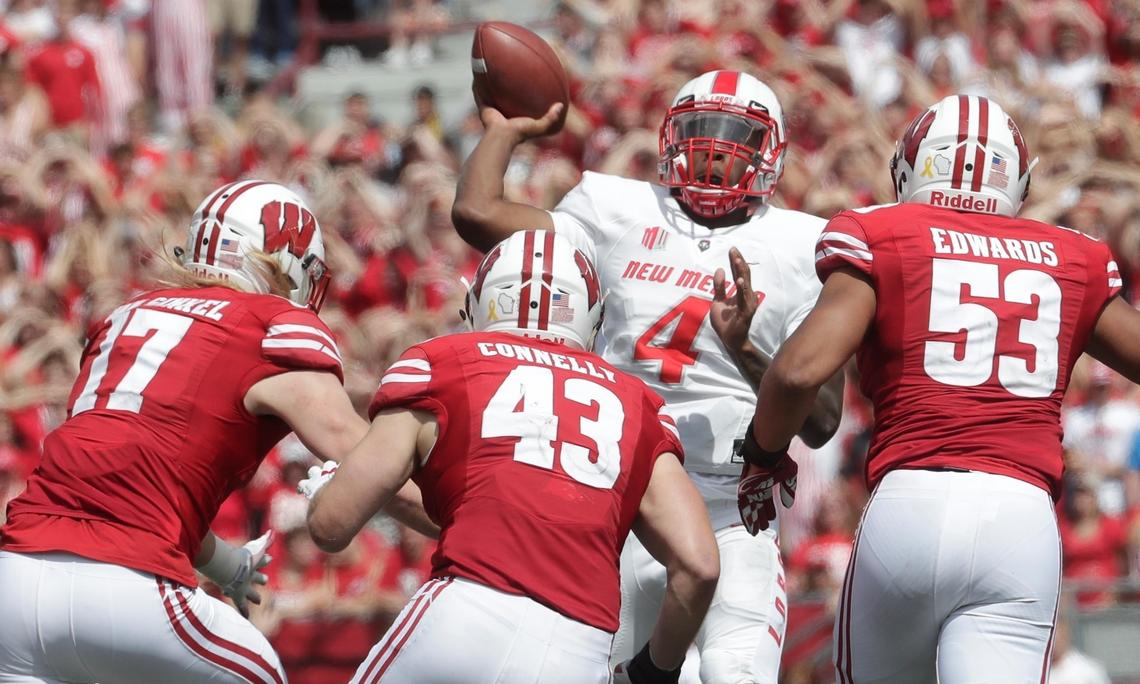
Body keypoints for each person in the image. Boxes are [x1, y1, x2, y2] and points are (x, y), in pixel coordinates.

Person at [452, 69, 843, 681]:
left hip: (731, 503)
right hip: (623, 496)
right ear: (668, 137)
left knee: (737, 673)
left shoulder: (807, 245)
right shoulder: (615, 207)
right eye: (699, 130)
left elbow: (822, 423)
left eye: (735, 134)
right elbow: (478, 214)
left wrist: (741, 348)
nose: (714, 151)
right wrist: (504, 131)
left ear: (771, 150)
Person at [747, 94, 1140, 683]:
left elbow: (800, 371)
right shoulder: (1072, 255)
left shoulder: (881, 230)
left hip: (911, 501)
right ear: (1019, 181)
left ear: (910, 167)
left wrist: (760, 456)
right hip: (1021, 517)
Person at [0, 179, 430, 684]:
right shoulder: (272, 323)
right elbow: (363, 459)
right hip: (128, 589)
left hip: (16, 584)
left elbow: (124, 481)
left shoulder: (125, 318)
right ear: (285, 262)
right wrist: (472, 536)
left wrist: (225, 563)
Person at [301, 230, 720, 684]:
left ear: (479, 303)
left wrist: (328, 490)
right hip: (579, 649)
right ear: (590, 317)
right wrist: (656, 669)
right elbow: (699, 566)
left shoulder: (443, 360)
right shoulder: (639, 404)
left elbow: (332, 524)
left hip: (464, 617)